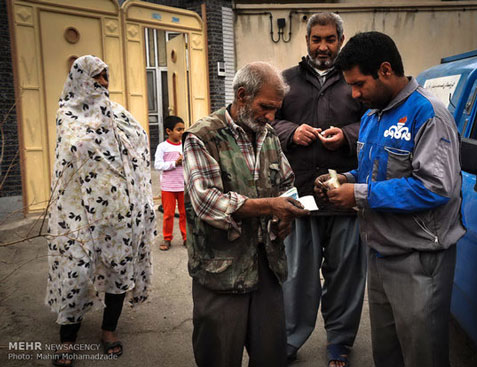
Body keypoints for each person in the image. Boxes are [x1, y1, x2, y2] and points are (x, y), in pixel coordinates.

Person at [317, 32, 466, 367]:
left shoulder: (428, 113)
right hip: (380, 252)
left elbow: (435, 187)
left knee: (421, 354)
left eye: (359, 84)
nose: (354, 95)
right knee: (387, 354)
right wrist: (343, 180)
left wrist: (357, 194)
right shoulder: (372, 115)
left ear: (385, 70)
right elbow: (374, 174)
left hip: (419, 258)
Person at [182, 61, 310, 367]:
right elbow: (207, 202)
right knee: (219, 357)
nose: (271, 117)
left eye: (276, 110)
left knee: (270, 355)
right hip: (221, 271)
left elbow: (286, 183)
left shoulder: (268, 136)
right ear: (241, 95)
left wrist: (286, 216)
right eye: (265, 107)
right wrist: (269, 206)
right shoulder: (202, 136)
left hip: (267, 268)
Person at [271, 12, 367, 367]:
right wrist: (291, 131)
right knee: (297, 277)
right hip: (299, 196)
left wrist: (347, 135)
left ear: (341, 40)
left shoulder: (354, 78)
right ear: (307, 41)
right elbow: (269, 119)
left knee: (345, 276)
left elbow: (372, 122)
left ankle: (339, 343)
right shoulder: (286, 81)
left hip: (345, 196)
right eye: (316, 39)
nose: (323, 46)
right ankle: (291, 340)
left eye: (330, 39)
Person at [46, 55, 155, 366]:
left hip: (120, 211)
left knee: (118, 270)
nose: (104, 84)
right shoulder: (68, 113)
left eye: (106, 77)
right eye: (97, 78)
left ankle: (109, 330)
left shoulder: (118, 113)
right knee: (76, 272)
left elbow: (138, 147)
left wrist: (141, 200)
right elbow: (77, 149)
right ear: (81, 79)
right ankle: (67, 341)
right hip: (79, 211)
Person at [154, 115, 187, 251]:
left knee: (185, 213)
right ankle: (167, 238)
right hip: (168, 186)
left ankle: (186, 238)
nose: (181, 132)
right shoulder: (163, 147)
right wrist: (175, 163)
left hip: (183, 185)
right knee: (168, 214)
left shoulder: (185, 146)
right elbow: (158, 165)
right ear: (169, 131)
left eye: (183, 129)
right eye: (179, 129)